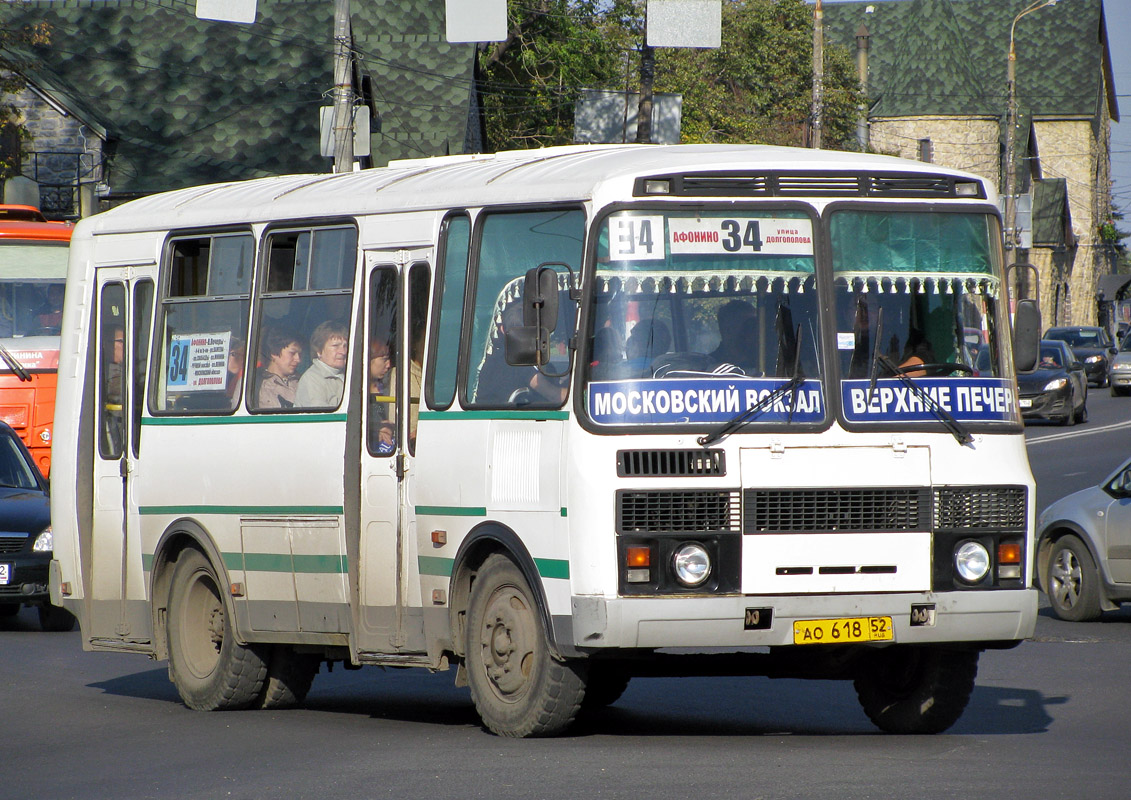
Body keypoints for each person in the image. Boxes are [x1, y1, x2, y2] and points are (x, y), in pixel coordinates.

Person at [295, 320, 348, 408]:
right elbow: (320, 419)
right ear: (319, 351)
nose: (343, 351)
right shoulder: (312, 379)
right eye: (335, 346)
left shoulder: (350, 375)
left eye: (345, 346)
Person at [257, 329, 303, 409]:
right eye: (292, 353)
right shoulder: (254, 383)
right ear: (274, 353)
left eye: (300, 354)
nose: (298, 359)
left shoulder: (303, 381)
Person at [709, 299, 756, 369]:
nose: (753, 331)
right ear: (727, 329)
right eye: (748, 325)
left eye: (755, 324)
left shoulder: (764, 366)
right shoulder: (707, 366)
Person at [368, 337, 395, 454]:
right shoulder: (356, 392)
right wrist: (377, 430)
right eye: (384, 360)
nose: (388, 365)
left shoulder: (387, 386)